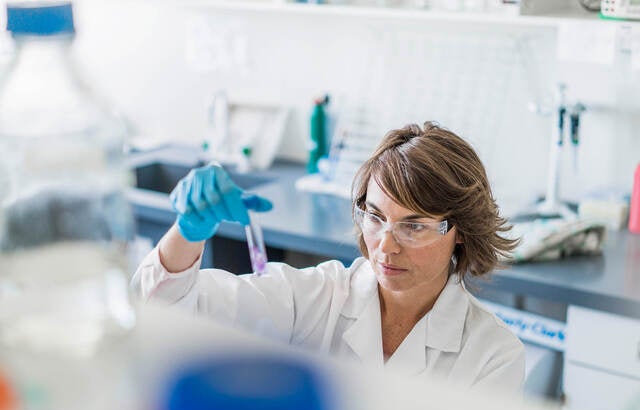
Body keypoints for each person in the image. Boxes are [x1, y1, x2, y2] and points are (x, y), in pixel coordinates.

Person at [132, 121, 525, 392]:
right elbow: (163, 313)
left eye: (414, 226)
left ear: (459, 232)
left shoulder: (493, 355)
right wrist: (187, 233)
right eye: (375, 217)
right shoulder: (319, 296)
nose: (386, 246)